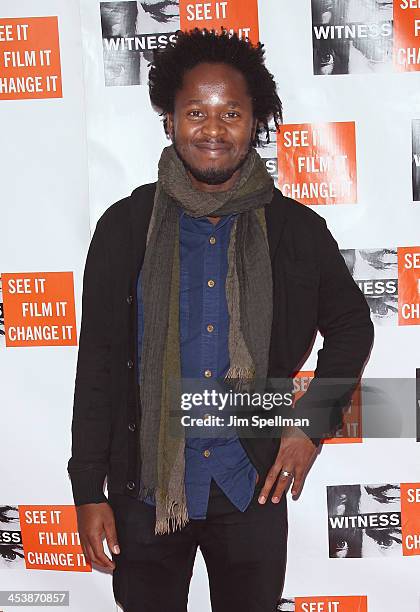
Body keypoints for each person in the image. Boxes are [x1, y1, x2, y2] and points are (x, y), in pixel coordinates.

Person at [67, 28, 374, 612]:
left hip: (251, 489)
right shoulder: (125, 228)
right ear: (169, 120)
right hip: (147, 494)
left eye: (231, 112)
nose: (213, 129)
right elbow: (99, 367)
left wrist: (310, 426)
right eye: (196, 112)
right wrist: (88, 490)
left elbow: (353, 328)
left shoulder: (295, 231)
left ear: (254, 121)